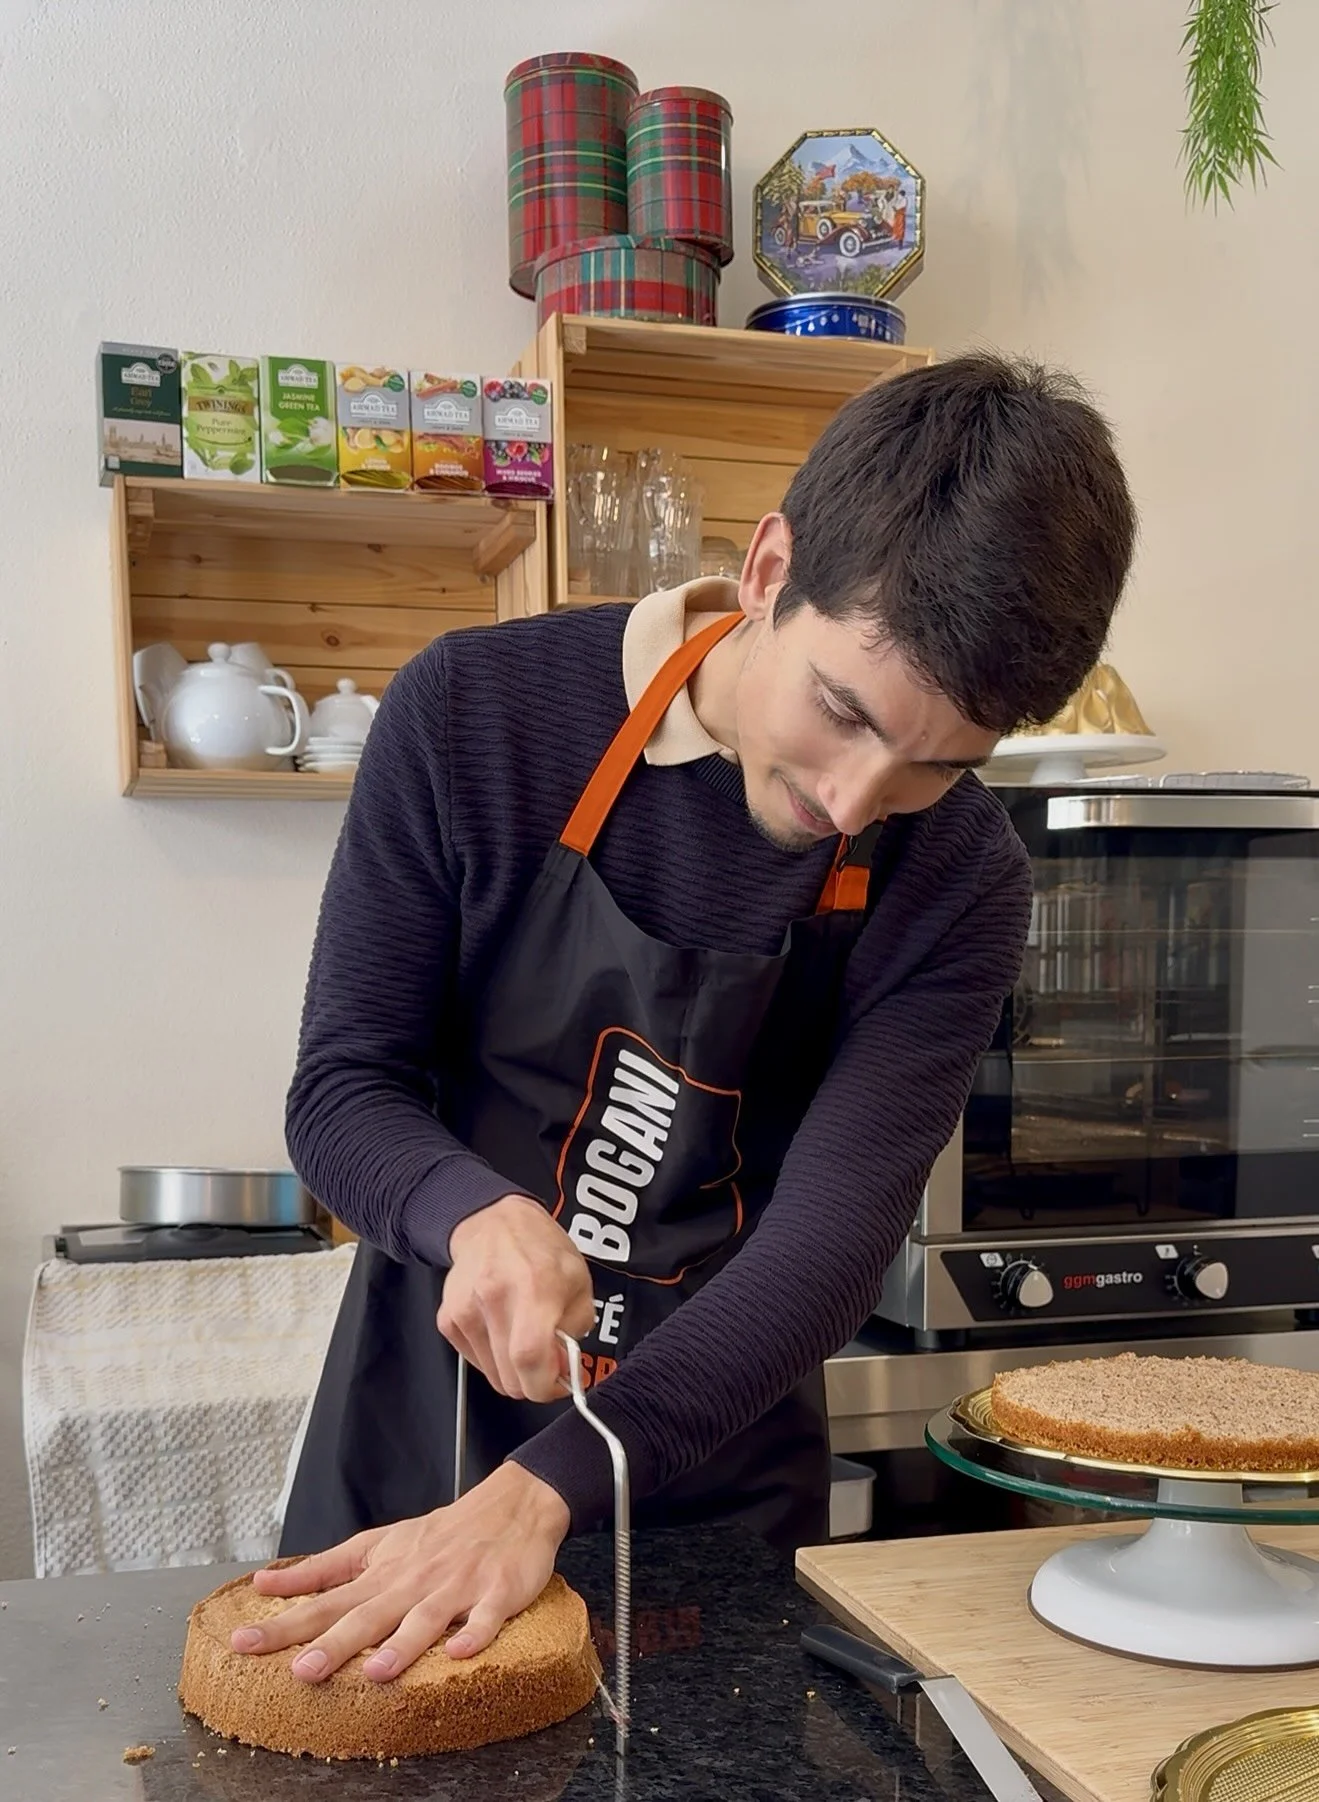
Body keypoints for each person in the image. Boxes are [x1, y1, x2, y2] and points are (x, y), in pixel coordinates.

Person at [232, 353, 1136, 1688]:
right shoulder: (475, 714)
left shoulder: (957, 876)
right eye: (840, 711)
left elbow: (825, 1249)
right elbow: (343, 1089)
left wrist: (549, 1488)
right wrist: (471, 1214)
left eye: (941, 763)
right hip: (424, 1440)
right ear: (767, 569)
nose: (854, 796)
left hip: (715, 1470)